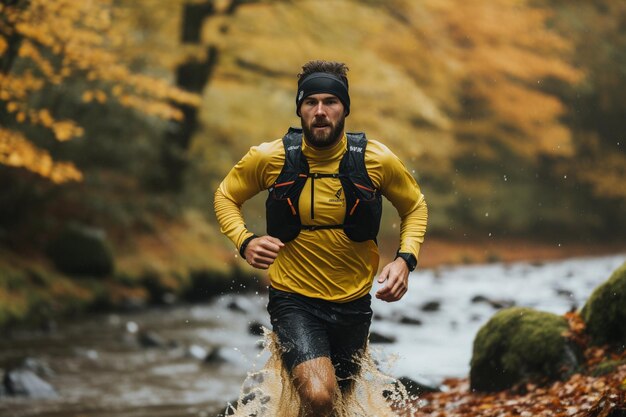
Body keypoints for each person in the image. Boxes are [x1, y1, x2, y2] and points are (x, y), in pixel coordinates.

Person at [214, 60, 427, 416]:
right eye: (311, 102)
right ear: (299, 108)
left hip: (354, 302)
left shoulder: (375, 159)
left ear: (345, 108)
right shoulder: (271, 157)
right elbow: (225, 195)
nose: (320, 111)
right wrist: (245, 241)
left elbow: (415, 206)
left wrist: (405, 260)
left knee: (332, 405)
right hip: (293, 299)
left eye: (330, 102)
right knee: (318, 395)